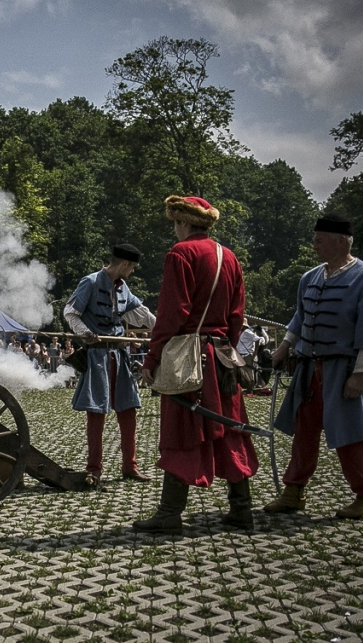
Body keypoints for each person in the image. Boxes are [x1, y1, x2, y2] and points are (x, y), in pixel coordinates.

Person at [136, 196, 259, 533]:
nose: (174, 229)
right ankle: (242, 509)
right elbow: (237, 316)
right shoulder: (229, 257)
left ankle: (170, 514)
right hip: (221, 357)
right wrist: (227, 352)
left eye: (175, 222)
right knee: (229, 430)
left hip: (190, 359)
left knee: (183, 432)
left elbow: (172, 312)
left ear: (185, 222)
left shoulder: (180, 254)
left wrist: (153, 356)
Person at [264, 214, 363, 519]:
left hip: (344, 370)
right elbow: (300, 319)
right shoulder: (311, 277)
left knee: (349, 434)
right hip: (309, 370)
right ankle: (293, 491)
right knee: (304, 431)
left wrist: (360, 375)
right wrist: (282, 349)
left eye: (320, 239)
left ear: (341, 241)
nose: (314, 244)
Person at [65, 243, 157, 489]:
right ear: (125, 264)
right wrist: (85, 332)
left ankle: (130, 466)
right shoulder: (91, 282)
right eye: (133, 268)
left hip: (120, 356)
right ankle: (93, 470)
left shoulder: (124, 287)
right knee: (97, 414)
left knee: (128, 411)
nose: (133, 272)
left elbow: (140, 313)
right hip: (97, 357)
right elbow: (70, 312)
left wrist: (162, 327)